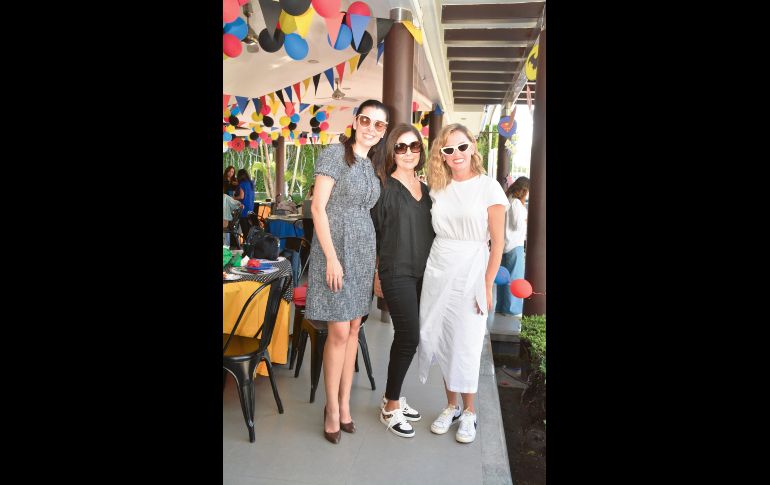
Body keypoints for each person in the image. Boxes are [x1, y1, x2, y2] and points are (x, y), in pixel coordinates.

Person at [417, 123, 509, 444]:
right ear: (441, 155)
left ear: (472, 147)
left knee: (467, 341)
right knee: (444, 338)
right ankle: (451, 406)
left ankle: (469, 411)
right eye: (448, 149)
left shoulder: (488, 187)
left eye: (461, 146)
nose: (456, 154)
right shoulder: (437, 188)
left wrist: (487, 283)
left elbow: (497, 243)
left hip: (472, 268)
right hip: (439, 267)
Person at [304, 99, 389, 444]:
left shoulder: (373, 164)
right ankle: (330, 408)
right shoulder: (335, 154)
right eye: (366, 120)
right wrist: (331, 257)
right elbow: (317, 207)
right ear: (355, 121)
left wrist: (376, 264)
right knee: (338, 331)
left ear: (383, 132)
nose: (371, 128)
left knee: (354, 327)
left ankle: (344, 403)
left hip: (363, 250)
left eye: (379, 124)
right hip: (334, 249)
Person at [371, 124, 434, 438]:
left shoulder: (428, 190)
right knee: (408, 335)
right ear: (392, 151)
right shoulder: (383, 187)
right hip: (396, 271)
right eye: (401, 147)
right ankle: (390, 406)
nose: (409, 152)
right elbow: (372, 234)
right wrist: (375, 274)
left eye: (414, 146)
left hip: (426, 273)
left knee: (411, 336)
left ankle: (390, 396)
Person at [496, 176, 529, 317]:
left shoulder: (508, 199)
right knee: (515, 278)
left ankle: (501, 306)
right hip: (515, 245)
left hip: (505, 244)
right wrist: (527, 220)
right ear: (524, 190)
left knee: (504, 278)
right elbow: (517, 225)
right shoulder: (516, 203)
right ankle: (511, 309)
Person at [234, 169, 255, 240]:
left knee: (245, 229)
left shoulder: (242, 184)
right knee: (249, 229)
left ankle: (246, 243)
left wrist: (233, 197)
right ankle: (249, 243)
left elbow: (241, 196)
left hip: (244, 209)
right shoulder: (251, 183)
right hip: (251, 208)